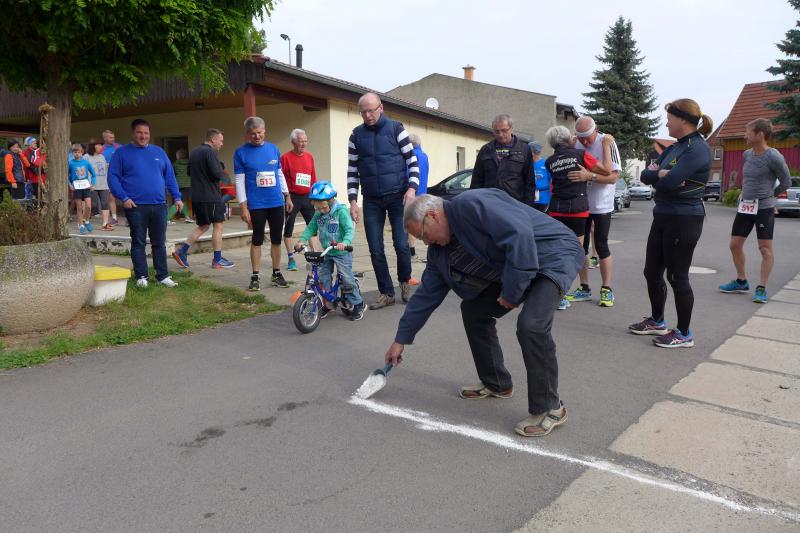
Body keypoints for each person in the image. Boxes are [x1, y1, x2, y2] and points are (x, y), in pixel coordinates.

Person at [383, 190, 583, 437]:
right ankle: (496, 382)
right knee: (474, 311)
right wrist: (400, 339)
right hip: (518, 268)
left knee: (532, 325)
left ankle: (550, 407)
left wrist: (512, 292)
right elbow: (425, 297)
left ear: (433, 216)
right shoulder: (439, 253)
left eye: (423, 235)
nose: (425, 243)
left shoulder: (472, 205)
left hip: (553, 255)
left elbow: (519, 235)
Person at [629, 99, 713, 348]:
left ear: (683, 120)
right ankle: (657, 321)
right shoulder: (675, 147)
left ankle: (684, 333)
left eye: (669, 119)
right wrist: (660, 174)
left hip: (684, 218)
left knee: (677, 277)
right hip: (663, 215)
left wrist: (663, 176)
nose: (666, 123)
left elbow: (668, 182)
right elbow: (647, 176)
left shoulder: (698, 148)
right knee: (651, 272)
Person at [347, 92, 419, 309]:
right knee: (375, 248)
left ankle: (404, 282)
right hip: (371, 200)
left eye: (371, 110)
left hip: (398, 196)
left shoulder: (396, 129)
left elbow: (412, 161)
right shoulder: (356, 136)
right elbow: (352, 170)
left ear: (381, 108)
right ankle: (386, 292)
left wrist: (412, 189)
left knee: (401, 244)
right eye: (363, 112)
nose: (368, 115)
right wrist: (352, 201)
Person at [719, 118, 791, 303]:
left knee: (765, 249)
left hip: (764, 208)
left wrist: (770, 196)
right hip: (746, 206)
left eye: (748, 133)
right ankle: (741, 281)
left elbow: (786, 181)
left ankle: (761, 288)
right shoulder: (747, 155)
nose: (745, 136)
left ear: (760, 134)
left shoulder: (774, 156)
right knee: (734, 245)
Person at [107, 118, 182, 289]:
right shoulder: (121, 153)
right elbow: (113, 178)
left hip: (159, 205)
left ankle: (162, 276)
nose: (143, 136)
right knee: (138, 242)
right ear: (133, 133)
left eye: (146, 133)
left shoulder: (159, 152)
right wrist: (124, 198)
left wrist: (177, 197)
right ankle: (141, 276)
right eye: (139, 133)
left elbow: (169, 176)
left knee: (159, 242)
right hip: (135, 206)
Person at [543, 125, 610, 310]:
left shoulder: (549, 161)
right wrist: (606, 146)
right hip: (577, 211)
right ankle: (565, 292)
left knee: (559, 252)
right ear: (568, 139)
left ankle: (559, 295)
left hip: (556, 210)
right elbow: (606, 170)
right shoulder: (580, 155)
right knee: (575, 252)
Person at [566, 116, 622, 307]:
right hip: (580, 204)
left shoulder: (607, 142)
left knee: (601, 245)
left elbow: (612, 178)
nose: (584, 142)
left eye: (588, 138)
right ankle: (584, 288)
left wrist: (589, 176)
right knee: (580, 248)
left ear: (595, 130)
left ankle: (606, 289)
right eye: (581, 138)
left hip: (601, 205)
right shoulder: (575, 144)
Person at [234, 116, 293, 291]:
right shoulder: (240, 153)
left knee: (276, 239)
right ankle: (255, 275)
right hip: (257, 204)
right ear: (247, 134)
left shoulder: (274, 149)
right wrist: (243, 207)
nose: (257, 136)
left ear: (264, 130)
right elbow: (239, 181)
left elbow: (279, 174)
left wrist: (287, 196)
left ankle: (276, 273)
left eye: (259, 133)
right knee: (257, 239)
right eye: (253, 134)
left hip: (276, 202)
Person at [295, 181, 366, 321]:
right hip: (327, 252)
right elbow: (311, 228)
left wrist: (345, 243)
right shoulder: (318, 214)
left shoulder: (341, 212)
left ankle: (358, 304)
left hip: (342, 253)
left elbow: (349, 230)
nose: (321, 210)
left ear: (331, 201)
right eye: (317, 207)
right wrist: (301, 240)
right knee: (323, 277)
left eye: (323, 207)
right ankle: (328, 302)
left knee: (346, 278)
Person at [172, 128, 234, 270]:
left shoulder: (194, 152)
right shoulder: (210, 152)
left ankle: (182, 251)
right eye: (220, 140)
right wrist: (222, 173)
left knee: (204, 225)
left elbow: (189, 172)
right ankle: (217, 260)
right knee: (218, 225)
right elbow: (216, 174)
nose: (222, 144)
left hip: (197, 196)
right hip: (211, 196)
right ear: (213, 139)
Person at [470, 114, 534, 204]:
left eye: (504, 131)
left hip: (515, 204)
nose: (500, 135)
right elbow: (476, 181)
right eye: (497, 131)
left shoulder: (524, 150)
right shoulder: (486, 150)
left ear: (511, 129)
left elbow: (530, 182)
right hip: (489, 203)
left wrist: (527, 206)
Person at [282, 128, 318, 271]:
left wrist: (314, 197)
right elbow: (282, 180)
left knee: (313, 227)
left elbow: (313, 178)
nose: (304, 144)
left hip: (307, 197)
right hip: (292, 197)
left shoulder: (309, 157)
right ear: (293, 142)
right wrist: (287, 197)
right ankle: (291, 257)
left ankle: (315, 257)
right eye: (300, 141)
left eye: (305, 141)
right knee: (289, 228)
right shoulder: (285, 158)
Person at [406, 132, 429, 262]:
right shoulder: (424, 156)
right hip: (422, 193)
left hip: (412, 193)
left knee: (411, 222)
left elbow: (407, 174)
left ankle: (412, 252)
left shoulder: (411, 156)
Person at [84, 140, 114, 231]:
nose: (101, 147)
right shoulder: (86, 157)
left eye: (102, 146)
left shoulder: (102, 157)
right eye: (99, 145)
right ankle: (85, 221)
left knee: (105, 203)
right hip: (91, 185)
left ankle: (105, 224)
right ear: (94, 146)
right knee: (91, 205)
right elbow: (84, 171)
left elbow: (105, 169)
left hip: (103, 185)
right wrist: (88, 183)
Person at [68, 143, 96, 235]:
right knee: (79, 208)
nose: (77, 154)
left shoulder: (86, 162)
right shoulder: (71, 163)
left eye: (79, 152)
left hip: (86, 187)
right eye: (75, 152)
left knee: (88, 206)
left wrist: (92, 184)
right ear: (72, 153)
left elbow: (93, 174)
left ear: (82, 152)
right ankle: (81, 225)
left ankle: (86, 221)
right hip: (77, 188)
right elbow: (67, 176)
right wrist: (70, 185)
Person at [99, 129, 121, 225]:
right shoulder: (101, 149)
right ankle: (114, 218)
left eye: (113, 137)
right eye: (111, 137)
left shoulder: (119, 147)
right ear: (105, 138)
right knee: (111, 197)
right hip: (108, 176)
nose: (113, 139)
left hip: (121, 175)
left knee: (127, 194)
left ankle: (129, 218)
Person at [168, 148, 193, 223]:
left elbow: (171, 175)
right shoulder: (190, 163)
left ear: (178, 156)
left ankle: (166, 218)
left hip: (178, 185)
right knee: (183, 201)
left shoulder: (175, 164)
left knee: (178, 201)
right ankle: (187, 217)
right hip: (188, 185)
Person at [529, 141, 551, 213]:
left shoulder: (546, 164)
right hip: (529, 197)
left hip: (544, 198)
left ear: (532, 153)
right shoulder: (527, 164)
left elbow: (552, 180)